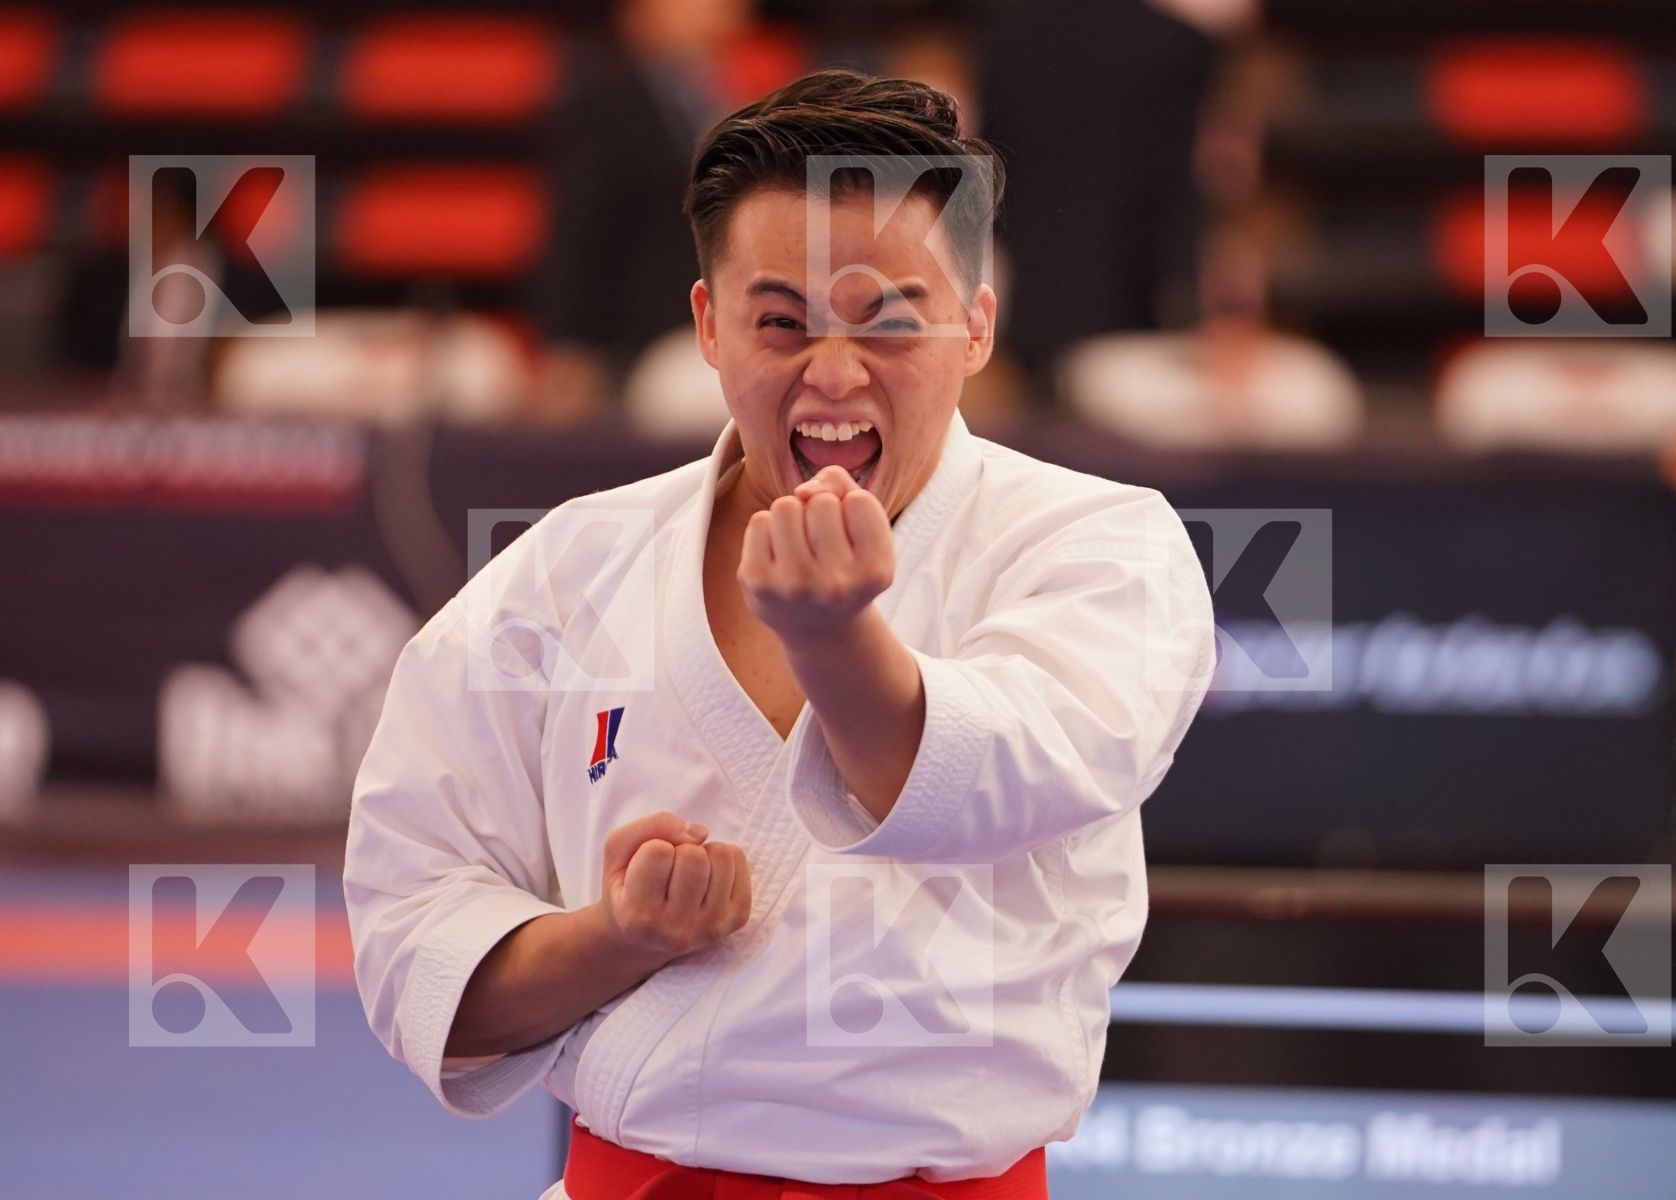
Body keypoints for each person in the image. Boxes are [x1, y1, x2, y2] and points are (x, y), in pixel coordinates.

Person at [345, 69, 1213, 1199]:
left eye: (890, 320)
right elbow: (412, 922)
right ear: (709, 326)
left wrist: (835, 642)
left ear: (977, 325)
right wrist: (622, 935)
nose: (835, 373)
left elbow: (1015, 773)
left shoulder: (1102, 547)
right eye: (780, 322)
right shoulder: (568, 570)